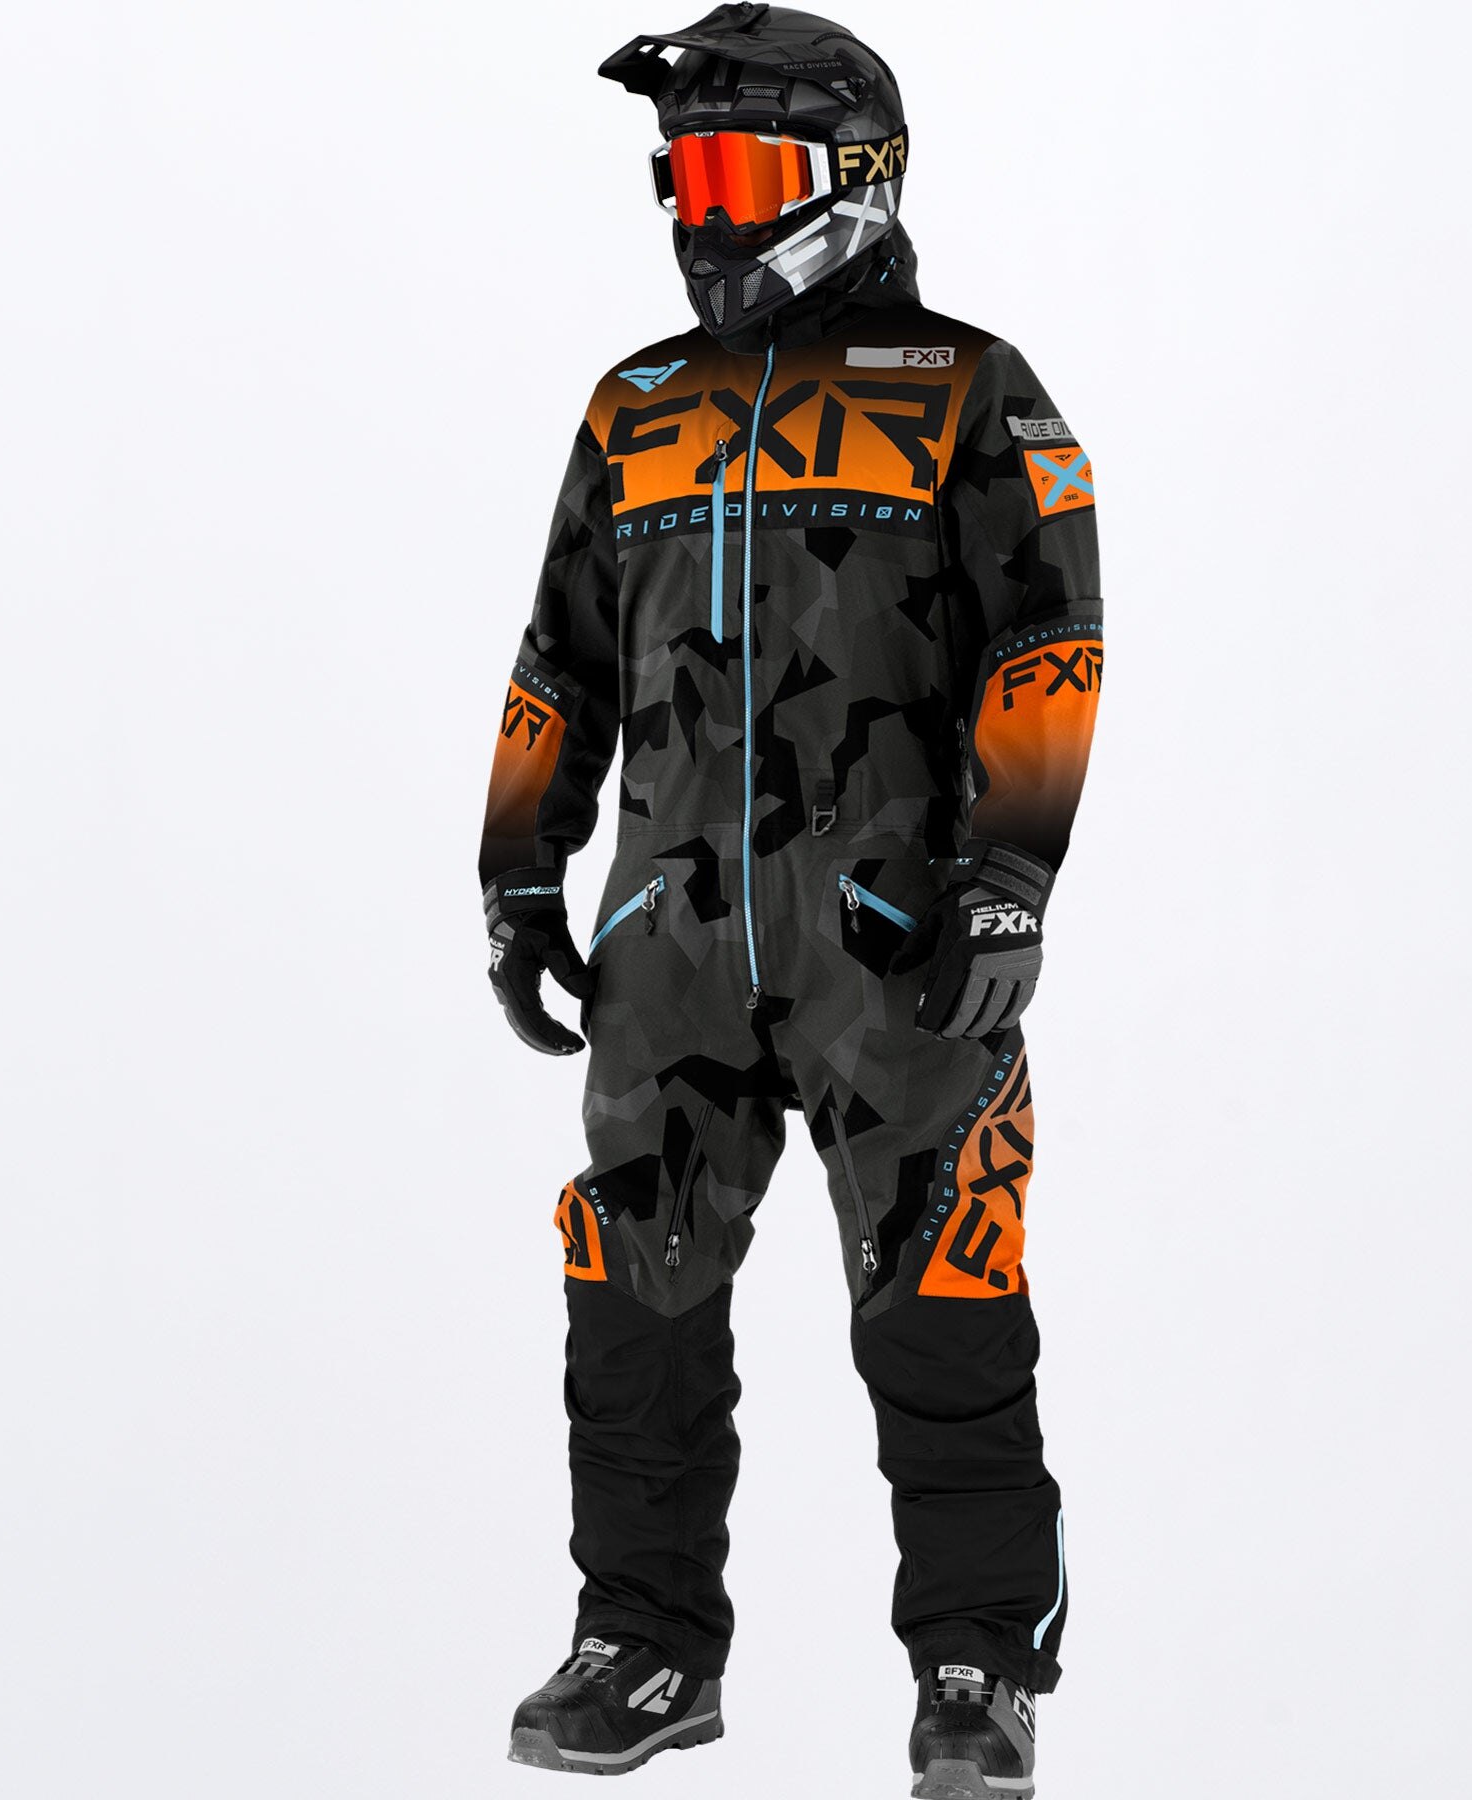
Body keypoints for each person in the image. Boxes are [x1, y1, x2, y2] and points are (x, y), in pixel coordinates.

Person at [479, 7, 1102, 1793]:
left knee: (943, 1302)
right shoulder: (635, 408)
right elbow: (560, 656)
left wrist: (1009, 876)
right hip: (665, 947)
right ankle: (643, 1644)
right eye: (687, 174)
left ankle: (978, 1670)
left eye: (746, 172)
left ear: (861, 178)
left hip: (898, 952)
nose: (709, 212)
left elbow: (1052, 635)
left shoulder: (971, 390)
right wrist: (518, 870)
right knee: (633, 1306)